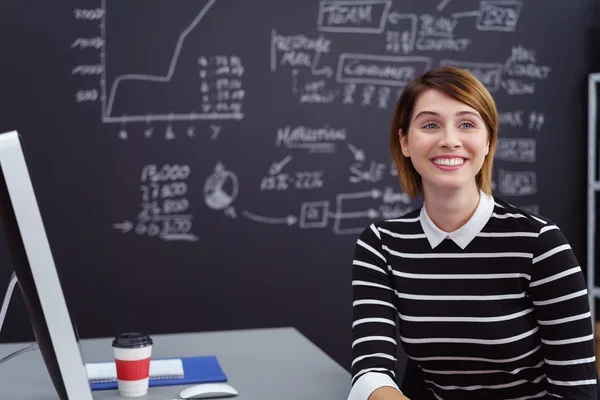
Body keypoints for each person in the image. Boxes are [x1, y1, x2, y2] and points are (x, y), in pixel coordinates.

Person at [347, 66, 598, 400]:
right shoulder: (381, 244)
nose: (450, 140)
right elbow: (370, 372)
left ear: (488, 140)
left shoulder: (540, 244)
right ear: (405, 141)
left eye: (467, 124)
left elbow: (576, 390)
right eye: (430, 125)